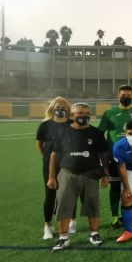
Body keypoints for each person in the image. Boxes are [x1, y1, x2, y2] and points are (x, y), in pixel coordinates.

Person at [46, 103, 110, 252]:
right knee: (64, 205)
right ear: (72, 115)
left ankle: (94, 234)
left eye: (87, 113)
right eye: (80, 112)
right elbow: (54, 155)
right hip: (68, 173)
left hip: (91, 173)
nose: (84, 115)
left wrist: (105, 173)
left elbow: (104, 154)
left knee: (92, 204)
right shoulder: (62, 131)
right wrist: (51, 177)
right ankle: (63, 238)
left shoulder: (96, 133)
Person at [98, 85, 132, 228]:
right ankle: (114, 216)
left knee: (130, 188)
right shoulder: (109, 113)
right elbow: (100, 134)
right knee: (115, 187)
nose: (126, 97)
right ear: (118, 96)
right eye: (124, 95)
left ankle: (126, 215)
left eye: (129, 95)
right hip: (114, 157)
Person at [36, 97, 75, 239]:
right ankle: (47, 225)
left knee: (69, 193)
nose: (61, 109)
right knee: (50, 194)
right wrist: (45, 157)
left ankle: (72, 221)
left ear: (68, 110)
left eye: (64, 107)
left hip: (69, 163)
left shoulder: (72, 124)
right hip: (49, 164)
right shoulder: (45, 125)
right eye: (58, 107)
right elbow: (39, 144)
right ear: (52, 108)